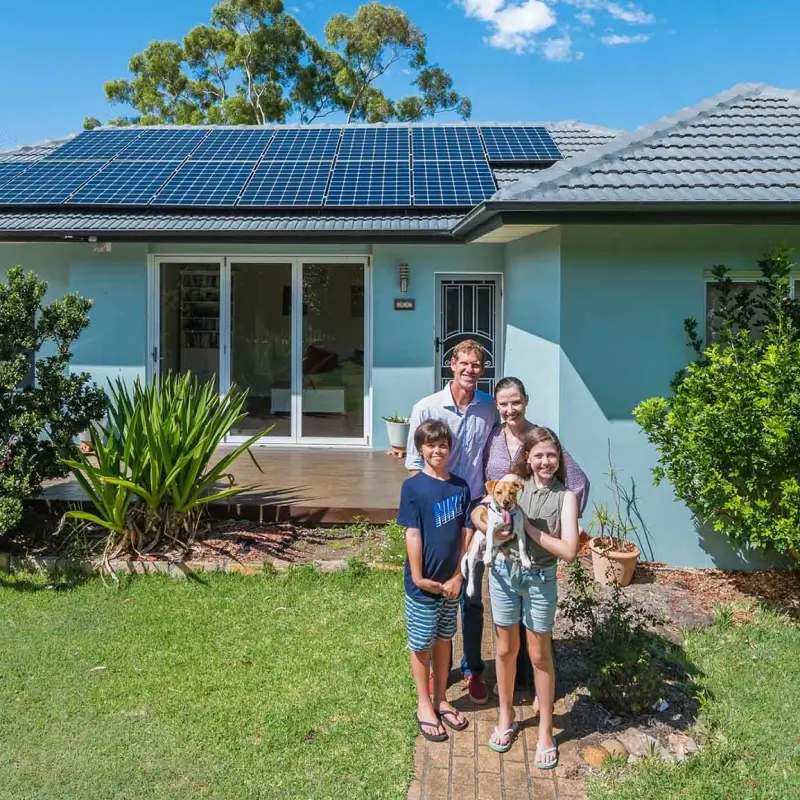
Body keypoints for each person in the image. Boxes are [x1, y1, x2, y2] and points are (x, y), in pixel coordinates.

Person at [478, 377, 590, 688]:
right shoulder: (493, 438)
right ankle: (509, 691)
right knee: (506, 637)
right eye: (503, 404)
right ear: (497, 406)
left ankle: (536, 687)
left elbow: (577, 482)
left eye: (516, 402)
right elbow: (484, 487)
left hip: (535, 551)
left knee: (537, 643)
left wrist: (562, 521)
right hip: (500, 542)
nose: (510, 409)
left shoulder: (540, 441)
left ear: (526, 400)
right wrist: (483, 521)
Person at [405, 340, 499, 704]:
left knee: (470, 592)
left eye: (477, 365)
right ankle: (434, 673)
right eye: (464, 363)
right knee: (433, 591)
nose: (470, 370)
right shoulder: (427, 407)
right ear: (451, 365)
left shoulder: (489, 408)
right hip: (437, 511)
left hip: (472, 508)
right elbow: (414, 465)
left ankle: (473, 668)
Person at [486, 426, 580, 767]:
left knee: (539, 654)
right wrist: (489, 527)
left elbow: (568, 551)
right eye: (538, 455)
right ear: (528, 456)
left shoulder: (565, 497)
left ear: (559, 459)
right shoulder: (513, 484)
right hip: (503, 574)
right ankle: (506, 716)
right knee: (505, 649)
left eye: (551, 455)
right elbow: (480, 511)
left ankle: (545, 730)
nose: (545, 461)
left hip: (540, 579)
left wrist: (528, 528)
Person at [399, 419, 471, 742]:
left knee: (444, 640)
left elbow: (466, 531)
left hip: (451, 584)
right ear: (421, 449)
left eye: (442, 444)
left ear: (450, 448)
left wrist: (459, 574)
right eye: (430, 445)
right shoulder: (413, 488)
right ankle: (424, 704)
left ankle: (442, 698)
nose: (437, 450)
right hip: (424, 587)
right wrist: (418, 577)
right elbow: (412, 533)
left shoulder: (460, 486)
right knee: (422, 644)